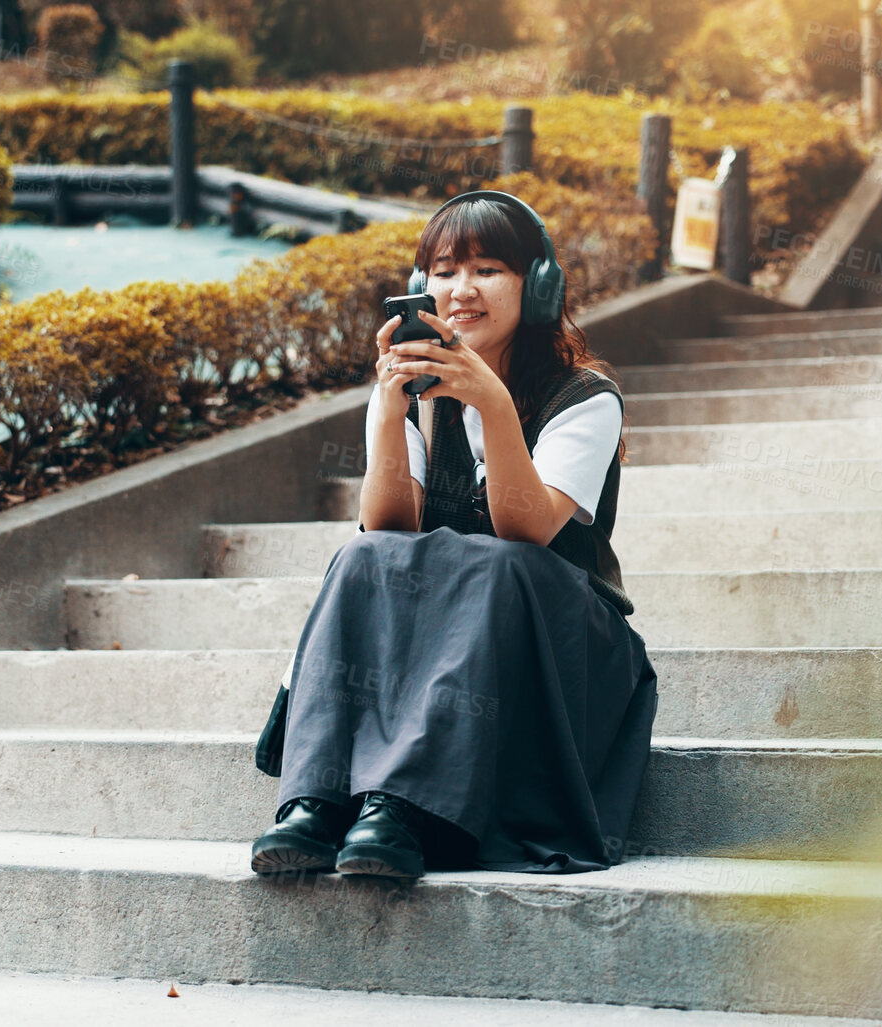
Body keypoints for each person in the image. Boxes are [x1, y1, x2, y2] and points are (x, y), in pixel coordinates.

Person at [250, 190, 659, 880]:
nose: (459, 290)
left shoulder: (586, 399)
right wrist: (386, 404)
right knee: (359, 554)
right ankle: (315, 801)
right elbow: (384, 528)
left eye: (487, 269)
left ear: (537, 286)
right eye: (442, 271)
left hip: (565, 650)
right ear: (419, 288)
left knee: (494, 563)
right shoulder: (415, 394)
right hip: (452, 644)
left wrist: (490, 402)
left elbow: (525, 529)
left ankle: (403, 809)